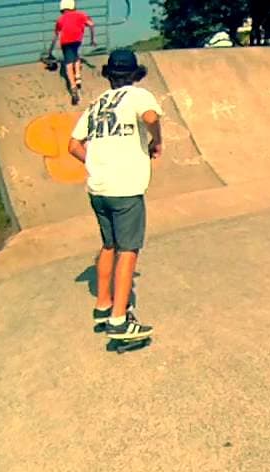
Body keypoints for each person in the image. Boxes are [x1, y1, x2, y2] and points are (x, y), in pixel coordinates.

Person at [67, 49, 163, 342]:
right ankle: (119, 321)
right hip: (125, 188)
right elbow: (150, 116)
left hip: (98, 188)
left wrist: (96, 163)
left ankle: (103, 306)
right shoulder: (138, 96)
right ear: (135, 75)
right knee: (128, 250)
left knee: (109, 245)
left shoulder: (97, 104)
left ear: (109, 76)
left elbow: (73, 145)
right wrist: (156, 139)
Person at [45, 0, 96, 105]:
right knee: (75, 54)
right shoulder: (81, 15)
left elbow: (56, 36)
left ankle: (73, 87)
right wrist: (92, 39)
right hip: (77, 40)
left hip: (66, 42)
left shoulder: (60, 19)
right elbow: (91, 24)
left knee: (68, 64)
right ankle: (78, 77)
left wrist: (50, 50)